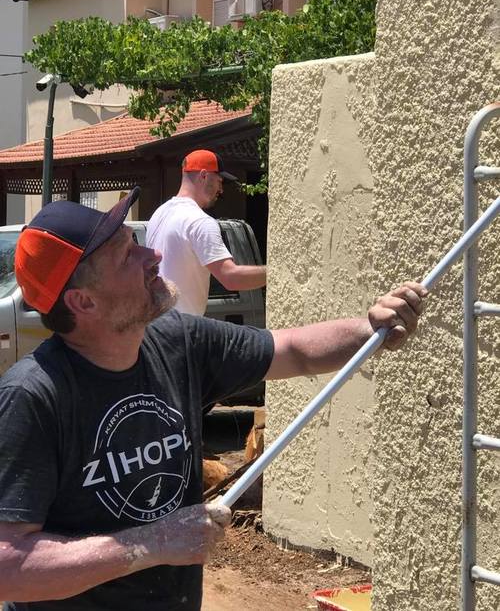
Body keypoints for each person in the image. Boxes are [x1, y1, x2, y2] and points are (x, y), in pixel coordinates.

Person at [0, 188, 427, 610]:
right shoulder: (34, 397)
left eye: (136, 242)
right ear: (83, 301)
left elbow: (293, 350)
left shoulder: (178, 341)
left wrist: (371, 329)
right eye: (127, 254)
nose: (153, 255)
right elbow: (8, 567)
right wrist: (153, 543)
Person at [146, 149, 267, 315]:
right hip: (181, 326)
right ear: (203, 176)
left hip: (155, 324)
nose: (221, 189)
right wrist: (276, 273)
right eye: (219, 181)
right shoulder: (199, 221)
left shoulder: (159, 213)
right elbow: (231, 277)